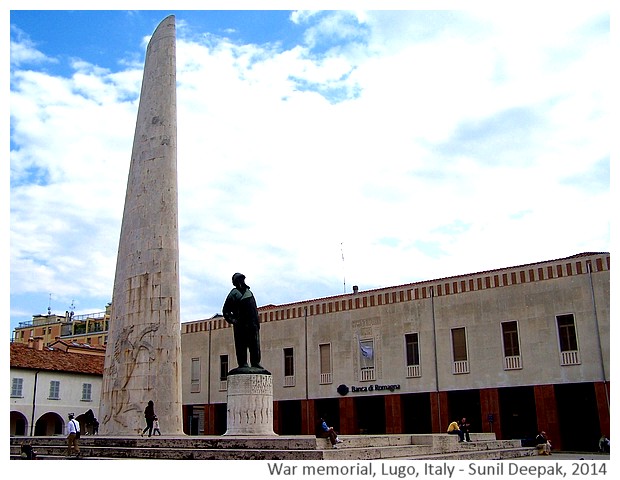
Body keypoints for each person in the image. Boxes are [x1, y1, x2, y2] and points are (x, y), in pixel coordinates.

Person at [223, 273, 268, 373]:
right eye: (240, 280)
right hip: (241, 325)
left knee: (254, 344)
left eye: (242, 279)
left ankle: (255, 363)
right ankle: (243, 363)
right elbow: (226, 311)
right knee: (241, 345)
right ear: (236, 282)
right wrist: (233, 320)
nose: (242, 281)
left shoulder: (249, 292)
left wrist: (257, 323)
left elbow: (254, 310)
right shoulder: (234, 293)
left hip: (252, 325)